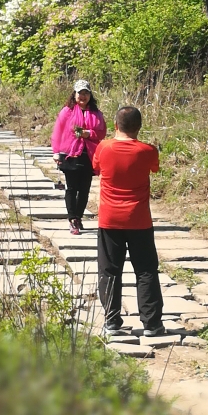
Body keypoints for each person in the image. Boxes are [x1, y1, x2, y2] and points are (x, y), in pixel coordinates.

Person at [91, 104, 165, 339]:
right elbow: (154, 169)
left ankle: (112, 321)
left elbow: (96, 169)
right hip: (139, 219)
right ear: (139, 127)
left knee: (110, 270)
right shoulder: (148, 151)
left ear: (115, 125)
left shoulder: (103, 148)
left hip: (110, 219)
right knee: (146, 271)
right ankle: (152, 324)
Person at [51, 80, 106, 234]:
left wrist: (89, 134)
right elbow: (58, 132)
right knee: (71, 188)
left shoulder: (96, 113)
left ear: (90, 95)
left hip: (89, 155)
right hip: (70, 155)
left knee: (84, 189)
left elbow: (101, 132)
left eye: (86, 93)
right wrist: (56, 151)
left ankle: (79, 217)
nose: (83, 96)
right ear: (74, 95)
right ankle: (72, 219)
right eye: (80, 93)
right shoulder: (66, 112)